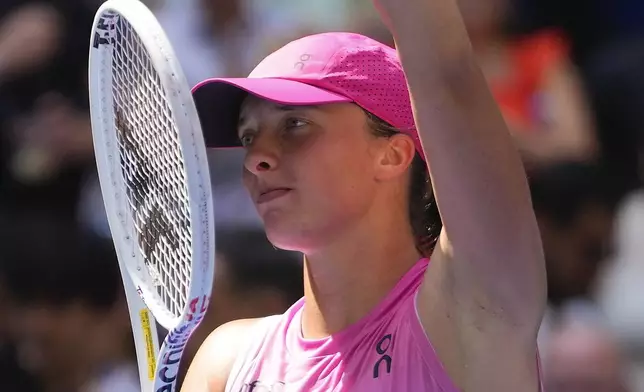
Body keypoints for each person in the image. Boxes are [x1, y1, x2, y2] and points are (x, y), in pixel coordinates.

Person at [184, 0, 546, 391]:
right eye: (248, 136)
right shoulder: (226, 360)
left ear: (392, 154)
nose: (257, 158)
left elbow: (449, 74)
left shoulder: (473, 312)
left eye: (295, 125)